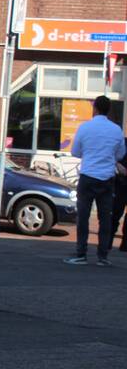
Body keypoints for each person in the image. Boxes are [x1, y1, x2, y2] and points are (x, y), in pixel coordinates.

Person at [64, 95, 124, 267]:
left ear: (95, 108)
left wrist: (90, 154)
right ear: (109, 109)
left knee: (83, 216)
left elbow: (75, 152)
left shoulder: (85, 127)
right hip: (107, 178)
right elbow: (119, 154)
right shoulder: (116, 130)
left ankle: (81, 254)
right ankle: (102, 256)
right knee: (105, 218)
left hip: (88, 176)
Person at [109, 137, 127, 252]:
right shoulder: (123, 141)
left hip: (121, 183)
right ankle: (107, 244)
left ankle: (125, 246)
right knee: (115, 214)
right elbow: (111, 154)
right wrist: (117, 164)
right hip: (121, 183)